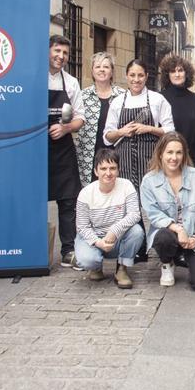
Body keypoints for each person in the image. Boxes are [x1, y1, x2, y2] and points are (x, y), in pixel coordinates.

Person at [140, 132, 195, 292]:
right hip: (170, 233)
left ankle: (186, 257)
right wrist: (178, 229)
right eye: (169, 152)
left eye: (178, 152)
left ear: (184, 154)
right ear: (160, 153)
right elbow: (153, 214)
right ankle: (168, 262)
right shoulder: (149, 181)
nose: (174, 157)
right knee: (163, 237)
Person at [73, 149, 145, 289]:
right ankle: (95, 267)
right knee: (88, 260)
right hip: (94, 238)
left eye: (112, 168)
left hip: (117, 238)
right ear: (96, 171)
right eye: (103, 168)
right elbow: (82, 227)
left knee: (137, 232)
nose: (108, 173)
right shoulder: (85, 193)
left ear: (118, 170)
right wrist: (98, 242)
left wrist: (114, 230)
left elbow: (134, 214)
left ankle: (122, 269)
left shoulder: (126, 186)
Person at [103, 59, 174, 190]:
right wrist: (121, 132)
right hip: (124, 163)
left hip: (151, 162)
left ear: (146, 76)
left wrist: (149, 128)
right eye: (132, 75)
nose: (136, 79)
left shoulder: (157, 99)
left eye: (140, 75)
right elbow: (107, 137)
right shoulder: (117, 102)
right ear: (126, 76)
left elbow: (170, 131)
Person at [47, 34, 85, 269]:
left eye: (65, 54)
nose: (61, 57)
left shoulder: (70, 83)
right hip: (32, 148)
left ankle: (68, 250)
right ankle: (31, 246)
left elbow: (80, 117)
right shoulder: (31, 77)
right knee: (32, 198)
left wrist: (65, 128)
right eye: (57, 51)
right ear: (48, 50)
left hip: (62, 148)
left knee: (68, 200)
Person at [77, 52, 125, 186]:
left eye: (106, 66)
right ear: (92, 71)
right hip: (88, 155)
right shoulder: (82, 95)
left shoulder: (122, 95)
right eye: (97, 66)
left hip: (116, 153)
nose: (102, 70)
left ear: (112, 71)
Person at [160, 54, 195, 169]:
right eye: (173, 71)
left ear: (186, 73)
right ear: (167, 75)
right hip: (169, 159)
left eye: (180, 70)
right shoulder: (160, 98)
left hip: (192, 158)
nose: (177, 74)